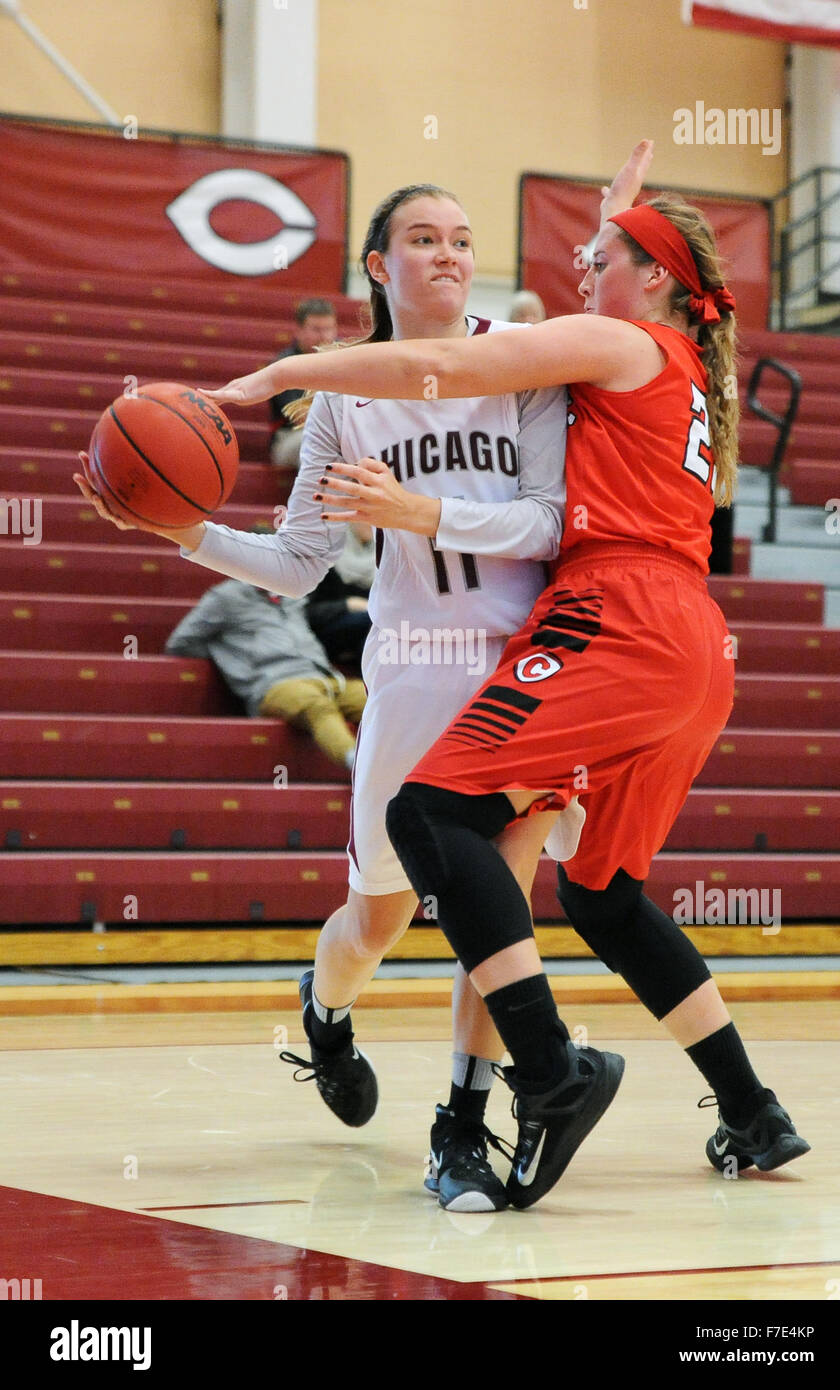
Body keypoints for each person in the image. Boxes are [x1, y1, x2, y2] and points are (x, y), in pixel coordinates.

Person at [207, 146, 809, 1210]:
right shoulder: (667, 343)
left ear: (652, 277)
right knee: (602, 894)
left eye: (602, 257)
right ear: (381, 263)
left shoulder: (611, 340)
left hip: (607, 612)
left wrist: (291, 370)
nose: (581, 270)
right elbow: (624, 266)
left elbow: (429, 370)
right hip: (690, 639)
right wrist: (621, 218)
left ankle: (541, 1076)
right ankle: (753, 1110)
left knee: (437, 819)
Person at [74, 179, 584, 1214]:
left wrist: (420, 508)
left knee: (496, 910)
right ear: (377, 267)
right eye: (423, 238)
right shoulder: (347, 395)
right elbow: (304, 564)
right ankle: (325, 1010)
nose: (448, 254)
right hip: (407, 675)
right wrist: (178, 530)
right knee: (373, 922)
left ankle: (461, 1124)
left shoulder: (525, 364)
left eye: (462, 237)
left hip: (514, 671)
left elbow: (549, 519)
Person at [164, 575, 364, 772]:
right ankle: (361, 768)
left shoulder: (292, 594)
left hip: (324, 676)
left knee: (378, 701)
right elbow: (181, 642)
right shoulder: (226, 597)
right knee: (317, 705)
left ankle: (395, 770)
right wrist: (228, 658)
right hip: (275, 683)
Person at [269, 298, 338, 469]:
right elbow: (301, 417)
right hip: (291, 437)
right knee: (312, 445)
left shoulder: (344, 359)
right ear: (299, 331)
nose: (324, 336)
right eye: (316, 329)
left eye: (328, 329)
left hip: (335, 434)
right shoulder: (285, 365)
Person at [304, 521, 374, 670]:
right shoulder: (326, 552)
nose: (374, 526)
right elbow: (306, 612)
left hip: (364, 627)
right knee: (374, 621)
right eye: (369, 521)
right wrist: (348, 605)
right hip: (324, 629)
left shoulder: (381, 555)